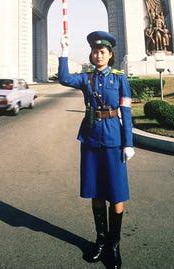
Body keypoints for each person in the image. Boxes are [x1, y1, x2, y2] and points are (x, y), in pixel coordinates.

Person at [58, 31, 135, 269]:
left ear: (110, 55)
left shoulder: (120, 79)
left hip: (113, 140)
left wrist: (129, 142)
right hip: (91, 140)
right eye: (94, 51)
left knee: (117, 194)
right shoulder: (86, 78)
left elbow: (127, 113)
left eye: (102, 52)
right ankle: (101, 241)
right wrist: (64, 52)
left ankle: (114, 244)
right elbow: (64, 79)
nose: (98, 55)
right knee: (96, 193)